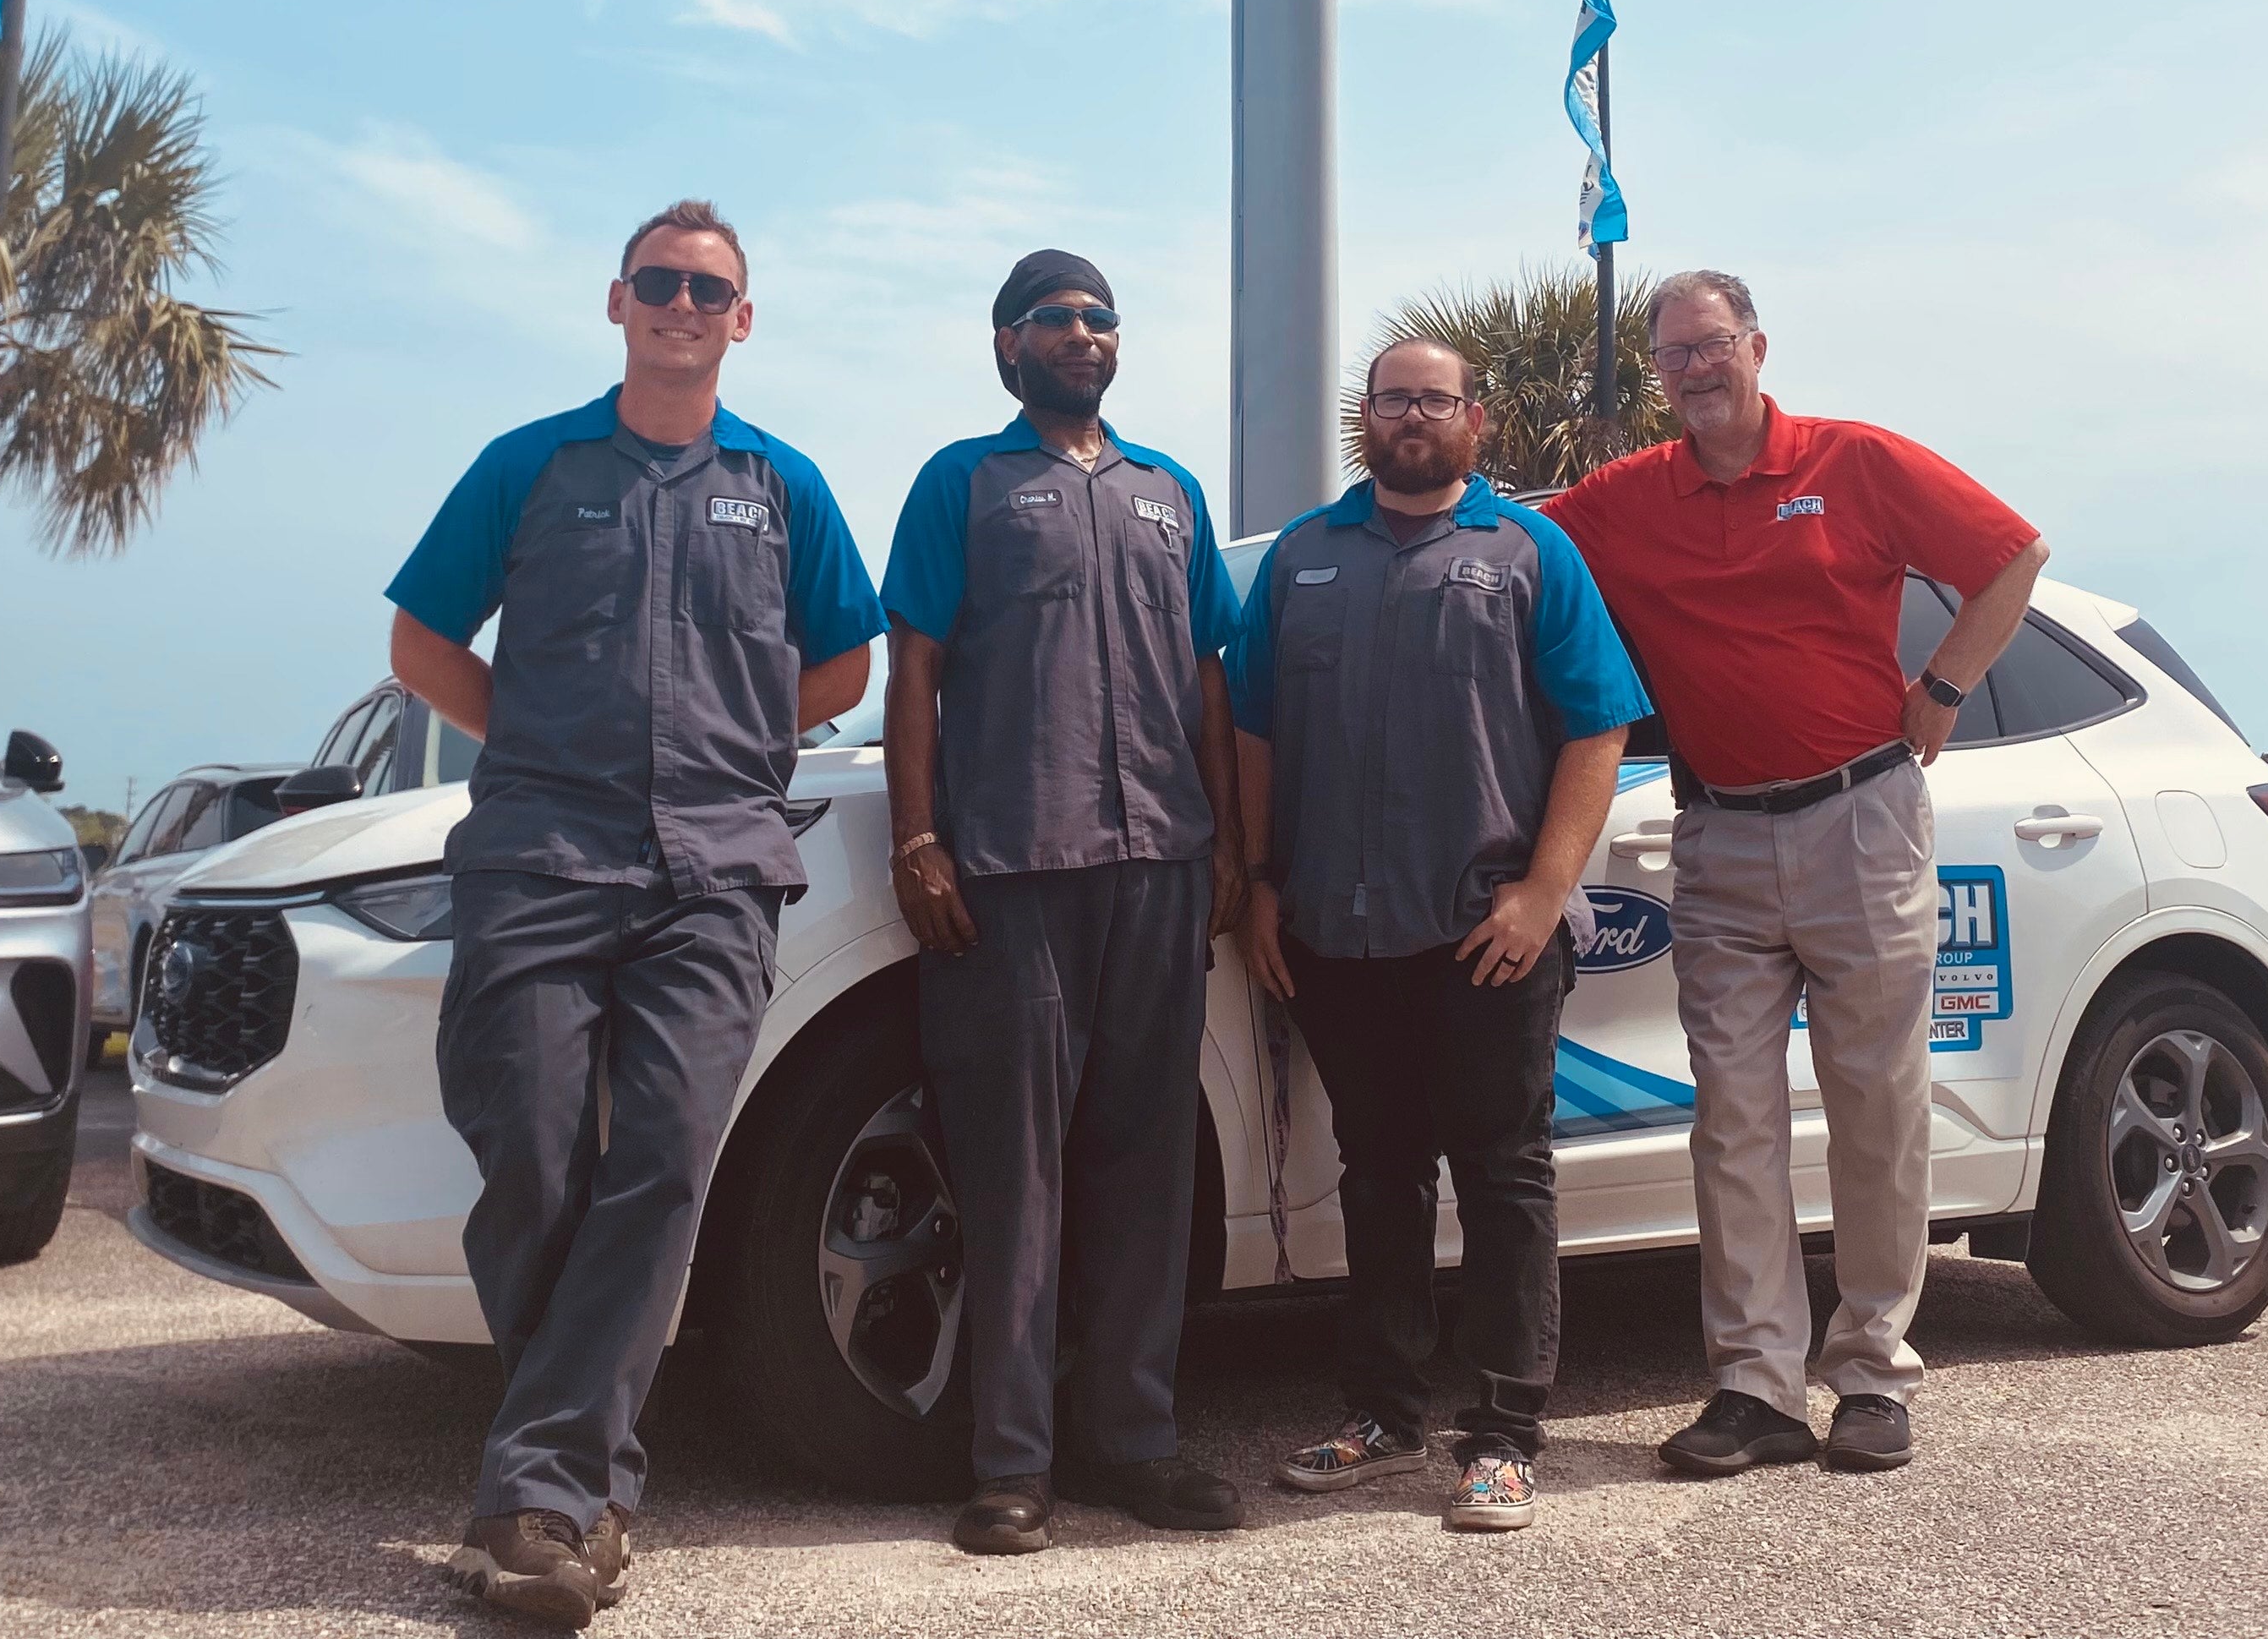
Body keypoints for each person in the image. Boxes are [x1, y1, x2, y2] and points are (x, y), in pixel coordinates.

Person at [385, 199, 882, 1625]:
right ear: (616, 303)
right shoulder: (529, 467)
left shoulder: (782, 484)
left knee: (662, 1161)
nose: (682, 304)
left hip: (716, 872)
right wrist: (532, 740)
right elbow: (422, 640)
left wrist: (731, 747)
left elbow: (842, 667)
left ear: (743, 317)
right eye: (658, 283)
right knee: (534, 1153)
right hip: (540, 856)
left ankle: (544, 1495)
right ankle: (574, 1478)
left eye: (708, 288)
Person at [1541, 270, 2047, 1480]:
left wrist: (1941, 691)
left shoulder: (1852, 462)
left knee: (1875, 1102)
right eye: (1671, 357)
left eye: (1711, 347)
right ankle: (1756, 1386)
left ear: (1756, 346)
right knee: (1735, 1117)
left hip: (1860, 817)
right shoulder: (1623, 499)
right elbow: (1511, 559)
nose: (1693, 371)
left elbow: (2013, 553)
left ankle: (1871, 1371)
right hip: (1715, 835)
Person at [1229, 336, 1651, 1534]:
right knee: (1378, 1174)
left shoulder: (1528, 552)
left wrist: (1540, 891)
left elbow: (1599, 724)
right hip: (1336, 930)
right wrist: (1263, 882)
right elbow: (1253, 728)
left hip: (1486, 935)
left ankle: (1508, 1433)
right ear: (1365, 417)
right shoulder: (1304, 559)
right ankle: (1383, 1413)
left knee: (1505, 1176)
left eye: (1436, 399)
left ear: (1476, 420)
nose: (1413, 416)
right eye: (1393, 399)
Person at [878, 252, 1246, 1557]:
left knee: (1147, 1163)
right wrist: (916, 836)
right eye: (1057, 319)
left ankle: (1134, 1442)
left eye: (1100, 319)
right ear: (1006, 345)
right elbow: (913, 666)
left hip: (1158, 866)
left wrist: (1227, 849)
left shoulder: (1170, 493)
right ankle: (1012, 1464)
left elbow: (1210, 679)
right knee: (1011, 1174)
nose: (1083, 336)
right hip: (1011, 871)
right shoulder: (961, 484)